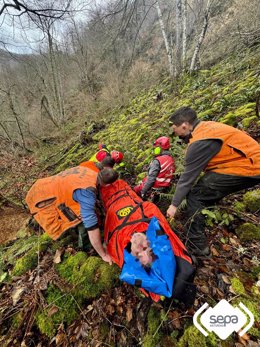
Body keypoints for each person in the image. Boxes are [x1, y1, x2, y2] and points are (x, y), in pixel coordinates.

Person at [167, 106, 260, 256]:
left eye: (174, 129)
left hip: (249, 167)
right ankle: (207, 213)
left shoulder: (200, 142)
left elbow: (187, 179)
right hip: (245, 161)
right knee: (205, 186)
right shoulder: (206, 127)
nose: (174, 133)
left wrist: (174, 205)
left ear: (184, 125)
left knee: (195, 196)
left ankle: (198, 248)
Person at [100, 179, 196, 304]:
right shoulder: (146, 207)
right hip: (138, 226)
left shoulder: (112, 211)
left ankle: (167, 288)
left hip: (129, 232)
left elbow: (112, 244)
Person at [26, 162, 118, 264]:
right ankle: (85, 247)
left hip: (45, 186)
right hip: (41, 197)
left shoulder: (90, 170)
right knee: (82, 223)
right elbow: (91, 226)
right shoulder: (87, 193)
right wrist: (104, 254)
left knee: (81, 211)